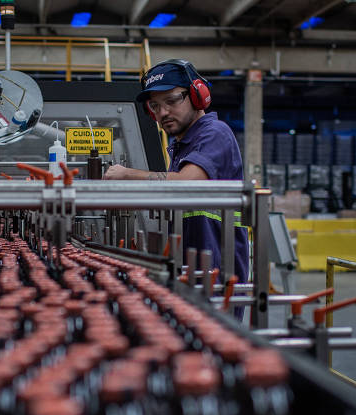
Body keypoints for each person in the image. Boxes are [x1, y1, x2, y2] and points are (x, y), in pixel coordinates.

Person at [103, 59, 249, 291]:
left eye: (171, 101)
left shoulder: (216, 133)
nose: (163, 112)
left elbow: (186, 183)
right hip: (194, 271)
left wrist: (126, 174)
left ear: (197, 95)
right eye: (155, 106)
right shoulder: (183, 147)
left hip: (217, 278)